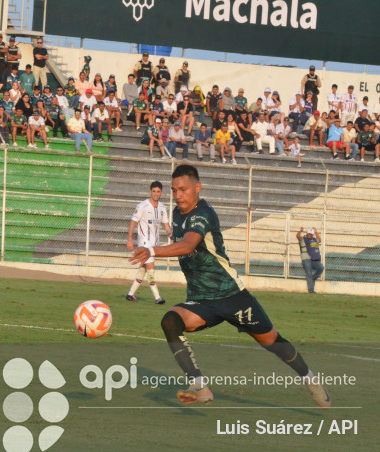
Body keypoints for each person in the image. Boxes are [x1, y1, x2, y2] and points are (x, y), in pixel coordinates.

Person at [129, 165, 331, 408]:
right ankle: (199, 386)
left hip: (232, 295)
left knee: (273, 342)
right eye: (174, 190)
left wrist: (151, 250)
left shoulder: (204, 212)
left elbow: (188, 245)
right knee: (170, 321)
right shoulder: (176, 213)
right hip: (202, 300)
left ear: (198, 188)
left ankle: (309, 378)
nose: (178, 195)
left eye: (183, 189)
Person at [126, 181, 171, 304]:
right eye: (154, 191)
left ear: (161, 193)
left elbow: (166, 225)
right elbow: (133, 222)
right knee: (151, 269)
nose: (156, 194)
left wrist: (171, 234)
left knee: (142, 269)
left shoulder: (162, 208)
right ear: (150, 192)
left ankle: (130, 294)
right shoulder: (142, 206)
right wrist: (130, 239)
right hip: (144, 244)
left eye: (158, 191)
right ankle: (158, 298)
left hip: (154, 245)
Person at [296, 227, 323, 293]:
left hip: (314, 259)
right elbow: (298, 236)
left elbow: (319, 240)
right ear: (307, 233)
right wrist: (300, 231)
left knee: (321, 268)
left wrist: (316, 232)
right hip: (306, 259)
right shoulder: (303, 239)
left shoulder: (314, 239)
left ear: (312, 234)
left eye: (311, 234)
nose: (309, 235)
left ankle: (314, 278)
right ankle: (311, 290)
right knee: (309, 274)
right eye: (308, 234)